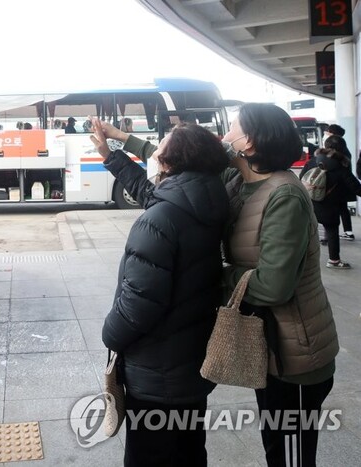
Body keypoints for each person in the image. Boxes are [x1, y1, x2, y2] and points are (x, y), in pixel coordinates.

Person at [98, 103, 339, 467]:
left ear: (251, 143)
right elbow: (182, 159)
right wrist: (118, 143)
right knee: (276, 447)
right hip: (268, 344)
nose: (224, 137)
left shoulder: (283, 195)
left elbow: (274, 286)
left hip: (297, 353)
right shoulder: (237, 181)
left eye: (233, 129)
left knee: (291, 456)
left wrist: (204, 277)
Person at [91, 119, 229, 467]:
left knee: (149, 456)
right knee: (188, 451)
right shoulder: (208, 199)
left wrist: (110, 334)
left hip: (158, 372)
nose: (156, 151)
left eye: (161, 146)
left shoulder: (159, 220)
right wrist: (111, 155)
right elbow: (152, 194)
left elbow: (139, 305)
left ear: (170, 162)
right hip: (190, 363)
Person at [300, 135, 361, 268]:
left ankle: (300, 259)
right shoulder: (340, 166)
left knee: (307, 231)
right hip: (330, 207)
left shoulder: (313, 161)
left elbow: (301, 177)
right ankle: (334, 260)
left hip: (311, 203)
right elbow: (355, 187)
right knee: (332, 230)